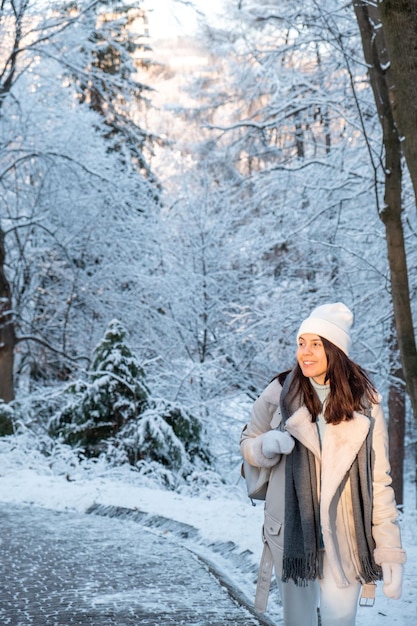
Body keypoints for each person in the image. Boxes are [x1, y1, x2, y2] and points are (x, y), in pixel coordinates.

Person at [240, 302, 406, 626]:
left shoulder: (366, 404)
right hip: (291, 534)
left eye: (316, 344)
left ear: (336, 350)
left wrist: (389, 549)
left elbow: (378, 481)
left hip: (345, 536)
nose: (306, 352)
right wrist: (263, 447)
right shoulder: (278, 393)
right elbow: (247, 441)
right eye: (302, 343)